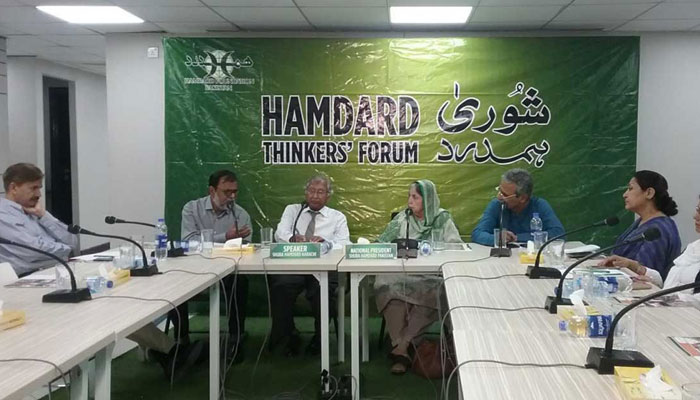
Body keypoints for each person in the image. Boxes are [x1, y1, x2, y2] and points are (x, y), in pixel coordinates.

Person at [0, 163, 203, 381]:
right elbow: (34, 251)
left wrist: (45, 217)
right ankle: (169, 352)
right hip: (25, 288)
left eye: (40, 188)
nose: (39, 194)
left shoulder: (34, 212)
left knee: (113, 304)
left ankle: (169, 352)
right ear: (13, 187)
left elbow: (72, 241)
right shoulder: (4, 215)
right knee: (104, 308)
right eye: (33, 188)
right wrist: (62, 249)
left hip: (51, 276)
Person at [374, 179, 462, 375]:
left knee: (437, 290)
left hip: (431, 276)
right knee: (385, 284)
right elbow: (381, 242)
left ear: (428, 199)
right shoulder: (402, 218)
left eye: (415, 197)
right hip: (402, 274)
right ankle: (403, 345)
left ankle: (401, 348)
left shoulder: (442, 219)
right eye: (409, 196)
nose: (409, 201)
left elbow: (456, 248)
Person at [272, 174, 350, 356]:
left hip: (324, 270)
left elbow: (345, 244)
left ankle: (320, 337)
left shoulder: (337, 217)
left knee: (322, 291)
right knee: (280, 286)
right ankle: (288, 335)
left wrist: (326, 243)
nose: (315, 196)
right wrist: (292, 238)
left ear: (328, 196)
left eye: (320, 192)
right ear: (305, 193)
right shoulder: (293, 210)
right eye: (311, 191)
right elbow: (279, 233)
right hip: (295, 268)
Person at [181, 169, 251, 363]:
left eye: (235, 192)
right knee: (175, 283)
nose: (232, 197)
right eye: (227, 192)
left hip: (227, 272)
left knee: (240, 282)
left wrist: (234, 242)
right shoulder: (192, 209)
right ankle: (180, 340)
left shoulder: (240, 214)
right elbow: (188, 241)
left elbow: (245, 247)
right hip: (194, 270)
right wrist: (225, 237)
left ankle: (236, 337)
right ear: (212, 191)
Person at [598, 195, 700, 296]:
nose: (695, 216)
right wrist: (635, 267)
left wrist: (669, 298)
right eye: (697, 210)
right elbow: (666, 285)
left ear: (649, 193)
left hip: (676, 306)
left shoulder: (660, 228)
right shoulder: (693, 248)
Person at [598, 170, 681, 280]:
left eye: (630, 188)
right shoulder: (642, 222)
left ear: (649, 193)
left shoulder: (658, 230)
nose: (624, 195)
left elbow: (647, 275)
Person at [471, 168, 564, 246]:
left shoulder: (540, 205)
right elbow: (477, 234)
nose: (499, 196)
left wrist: (517, 238)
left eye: (505, 194)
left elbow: (558, 234)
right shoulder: (497, 204)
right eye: (499, 190)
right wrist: (498, 238)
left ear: (522, 198)